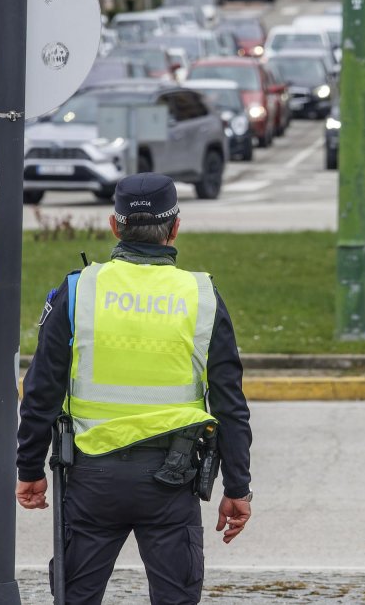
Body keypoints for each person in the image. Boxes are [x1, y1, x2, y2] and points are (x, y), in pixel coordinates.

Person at [16, 172, 253, 605]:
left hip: (91, 480)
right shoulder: (202, 297)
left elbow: (41, 391)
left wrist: (29, 469)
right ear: (175, 227)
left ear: (114, 226)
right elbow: (230, 405)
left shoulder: (78, 290)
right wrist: (237, 488)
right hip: (171, 480)